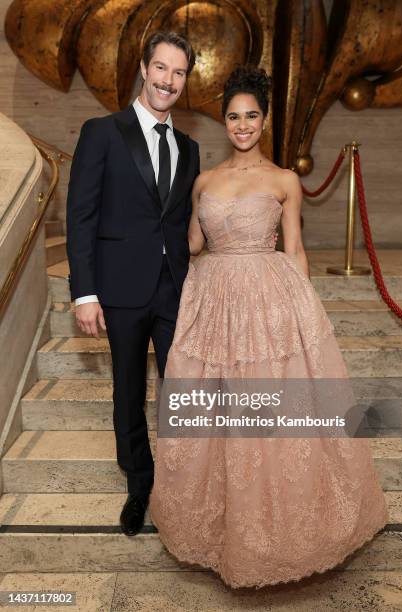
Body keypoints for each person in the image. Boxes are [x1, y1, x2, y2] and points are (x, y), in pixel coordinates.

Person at [148, 66, 388, 588]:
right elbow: (191, 243)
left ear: (264, 120)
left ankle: (282, 536)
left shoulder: (284, 180)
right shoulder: (204, 181)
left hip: (268, 299)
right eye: (233, 116)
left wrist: (305, 317)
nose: (241, 125)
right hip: (213, 301)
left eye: (251, 116)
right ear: (225, 121)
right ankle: (221, 532)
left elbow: (294, 248)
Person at [66, 31, 200, 536]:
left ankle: (182, 486)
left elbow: (186, 223)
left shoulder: (190, 149)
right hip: (118, 291)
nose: (168, 80)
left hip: (174, 290)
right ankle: (139, 487)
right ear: (145, 68)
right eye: (161, 68)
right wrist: (85, 292)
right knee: (127, 392)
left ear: (186, 80)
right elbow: (80, 215)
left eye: (179, 72)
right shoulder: (102, 131)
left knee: (179, 392)